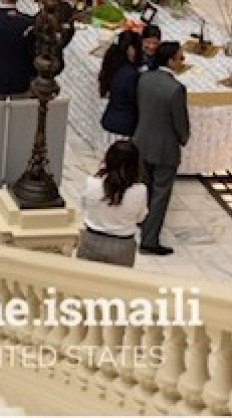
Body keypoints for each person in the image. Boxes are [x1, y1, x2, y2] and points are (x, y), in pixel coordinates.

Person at [134, 41, 190, 256]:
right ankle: (150, 240)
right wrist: (183, 139)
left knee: (143, 187)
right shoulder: (176, 89)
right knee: (160, 194)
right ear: (170, 60)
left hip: (142, 141)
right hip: (165, 148)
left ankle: (141, 221)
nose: (182, 61)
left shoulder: (145, 78)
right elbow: (180, 122)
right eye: (180, 57)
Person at [77, 140, 149, 268]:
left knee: (85, 285)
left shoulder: (92, 183)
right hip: (122, 246)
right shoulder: (140, 190)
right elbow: (140, 217)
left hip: (92, 240)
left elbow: (84, 206)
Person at [100, 29, 143, 137]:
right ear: (130, 49)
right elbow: (135, 99)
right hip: (123, 127)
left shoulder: (113, 66)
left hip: (110, 121)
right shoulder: (130, 75)